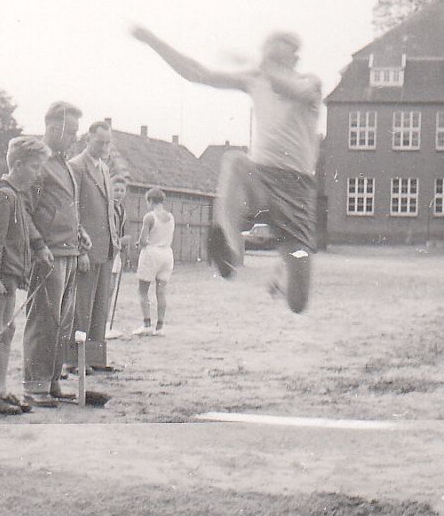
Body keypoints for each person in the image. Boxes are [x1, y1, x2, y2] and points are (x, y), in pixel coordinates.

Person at [132, 26, 321, 313]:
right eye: (269, 49)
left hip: (297, 190)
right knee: (234, 162)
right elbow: (197, 73)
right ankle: (231, 251)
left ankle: (284, 270)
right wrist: (153, 40)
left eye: (279, 51)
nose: (270, 57)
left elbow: (287, 88)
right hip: (261, 177)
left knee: (298, 303)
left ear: (294, 57)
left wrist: (263, 67)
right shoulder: (255, 77)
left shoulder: (310, 82)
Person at [21, 102, 90, 409]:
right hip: (48, 253)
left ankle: (52, 382)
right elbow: (26, 210)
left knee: (62, 322)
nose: (75, 138)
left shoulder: (64, 164)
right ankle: (35, 387)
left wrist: (80, 231)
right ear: (52, 128)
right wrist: (38, 245)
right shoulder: (38, 163)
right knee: (44, 320)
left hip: (70, 250)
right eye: (71, 131)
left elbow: (65, 207)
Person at [0, 136, 51, 418]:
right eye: (34, 167)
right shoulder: (3, 195)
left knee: (6, 330)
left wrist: (38, 248)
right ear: (18, 165)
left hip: (11, 274)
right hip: (0, 275)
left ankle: (1, 388)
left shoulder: (16, 195)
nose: (37, 173)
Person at [68, 121, 120, 372]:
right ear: (88, 139)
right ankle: (77, 361)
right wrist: (80, 248)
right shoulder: (77, 167)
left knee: (101, 306)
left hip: (107, 246)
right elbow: (73, 210)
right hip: (87, 248)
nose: (105, 147)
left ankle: (96, 358)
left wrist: (115, 239)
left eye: (108, 142)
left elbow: (109, 209)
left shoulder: (105, 169)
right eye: (100, 142)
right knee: (82, 306)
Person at [133, 188, 175, 336]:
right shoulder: (170, 217)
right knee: (161, 292)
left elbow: (143, 241)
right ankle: (160, 327)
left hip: (152, 254)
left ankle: (146, 324)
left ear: (150, 200)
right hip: (167, 255)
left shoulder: (149, 217)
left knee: (143, 290)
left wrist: (138, 244)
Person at [105, 176, 131, 340]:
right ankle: (102, 325)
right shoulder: (108, 208)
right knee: (105, 290)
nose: (119, 193)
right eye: (116, 190)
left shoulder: (122, 210)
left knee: (111, 290)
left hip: (117, 254)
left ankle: (107, 324)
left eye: (122, 190)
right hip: (108, 252)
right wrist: (121, 241)